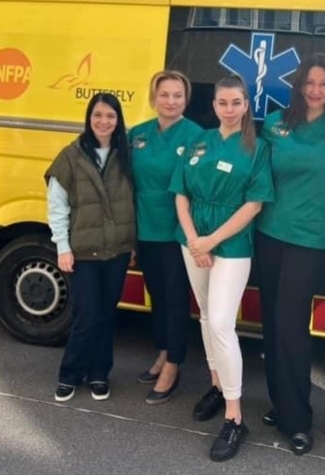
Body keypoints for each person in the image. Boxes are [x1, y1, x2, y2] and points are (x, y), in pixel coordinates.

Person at [254, 53, 325, 455]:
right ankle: (281, 404)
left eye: (324, 84)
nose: (316, 90)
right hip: (269, 234)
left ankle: (297, 419)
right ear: (298, 86)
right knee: (272, 325)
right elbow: (256, 174)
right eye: (309, 83)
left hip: (310, 240)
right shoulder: (276, 125)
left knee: (292, 326)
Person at [170, 74, 274, 462]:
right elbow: (180, 193)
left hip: (230, 245)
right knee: (205, 315)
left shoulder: (257, 147)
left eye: (236, 103)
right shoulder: (199, 140)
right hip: (192, 240)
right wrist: (195, 239)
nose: (228, 110)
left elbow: (254, 205)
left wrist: (210, 243)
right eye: (222, 103)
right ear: (213, 105)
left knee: (221, 324)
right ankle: (217, 385)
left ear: (246, 105)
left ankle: (234, 417)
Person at [46, 92, 135, 403]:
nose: (104, 121)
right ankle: (69, 374)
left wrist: (132, 243)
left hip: (117, 251)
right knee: (86, 314)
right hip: (83, 251)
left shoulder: (126, 154)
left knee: (106, 314)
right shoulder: (70, 156)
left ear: (118, 120)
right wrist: (63, 248)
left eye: (110, 116)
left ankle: (99, 373)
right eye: (98, 115)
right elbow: (57, 207)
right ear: (89, 117)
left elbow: (133, 202)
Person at [129, 70, 202, 404]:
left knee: (175, 300)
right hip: (145, 230)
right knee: (156, 295)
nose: (170, 101)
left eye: (177, 95)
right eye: (164, 94)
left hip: (178, 233)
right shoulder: (138, 135)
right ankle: (162, 351)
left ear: (186, 99)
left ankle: (174, 363)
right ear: (153, 98)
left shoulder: (198, 136)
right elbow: (126, 183)